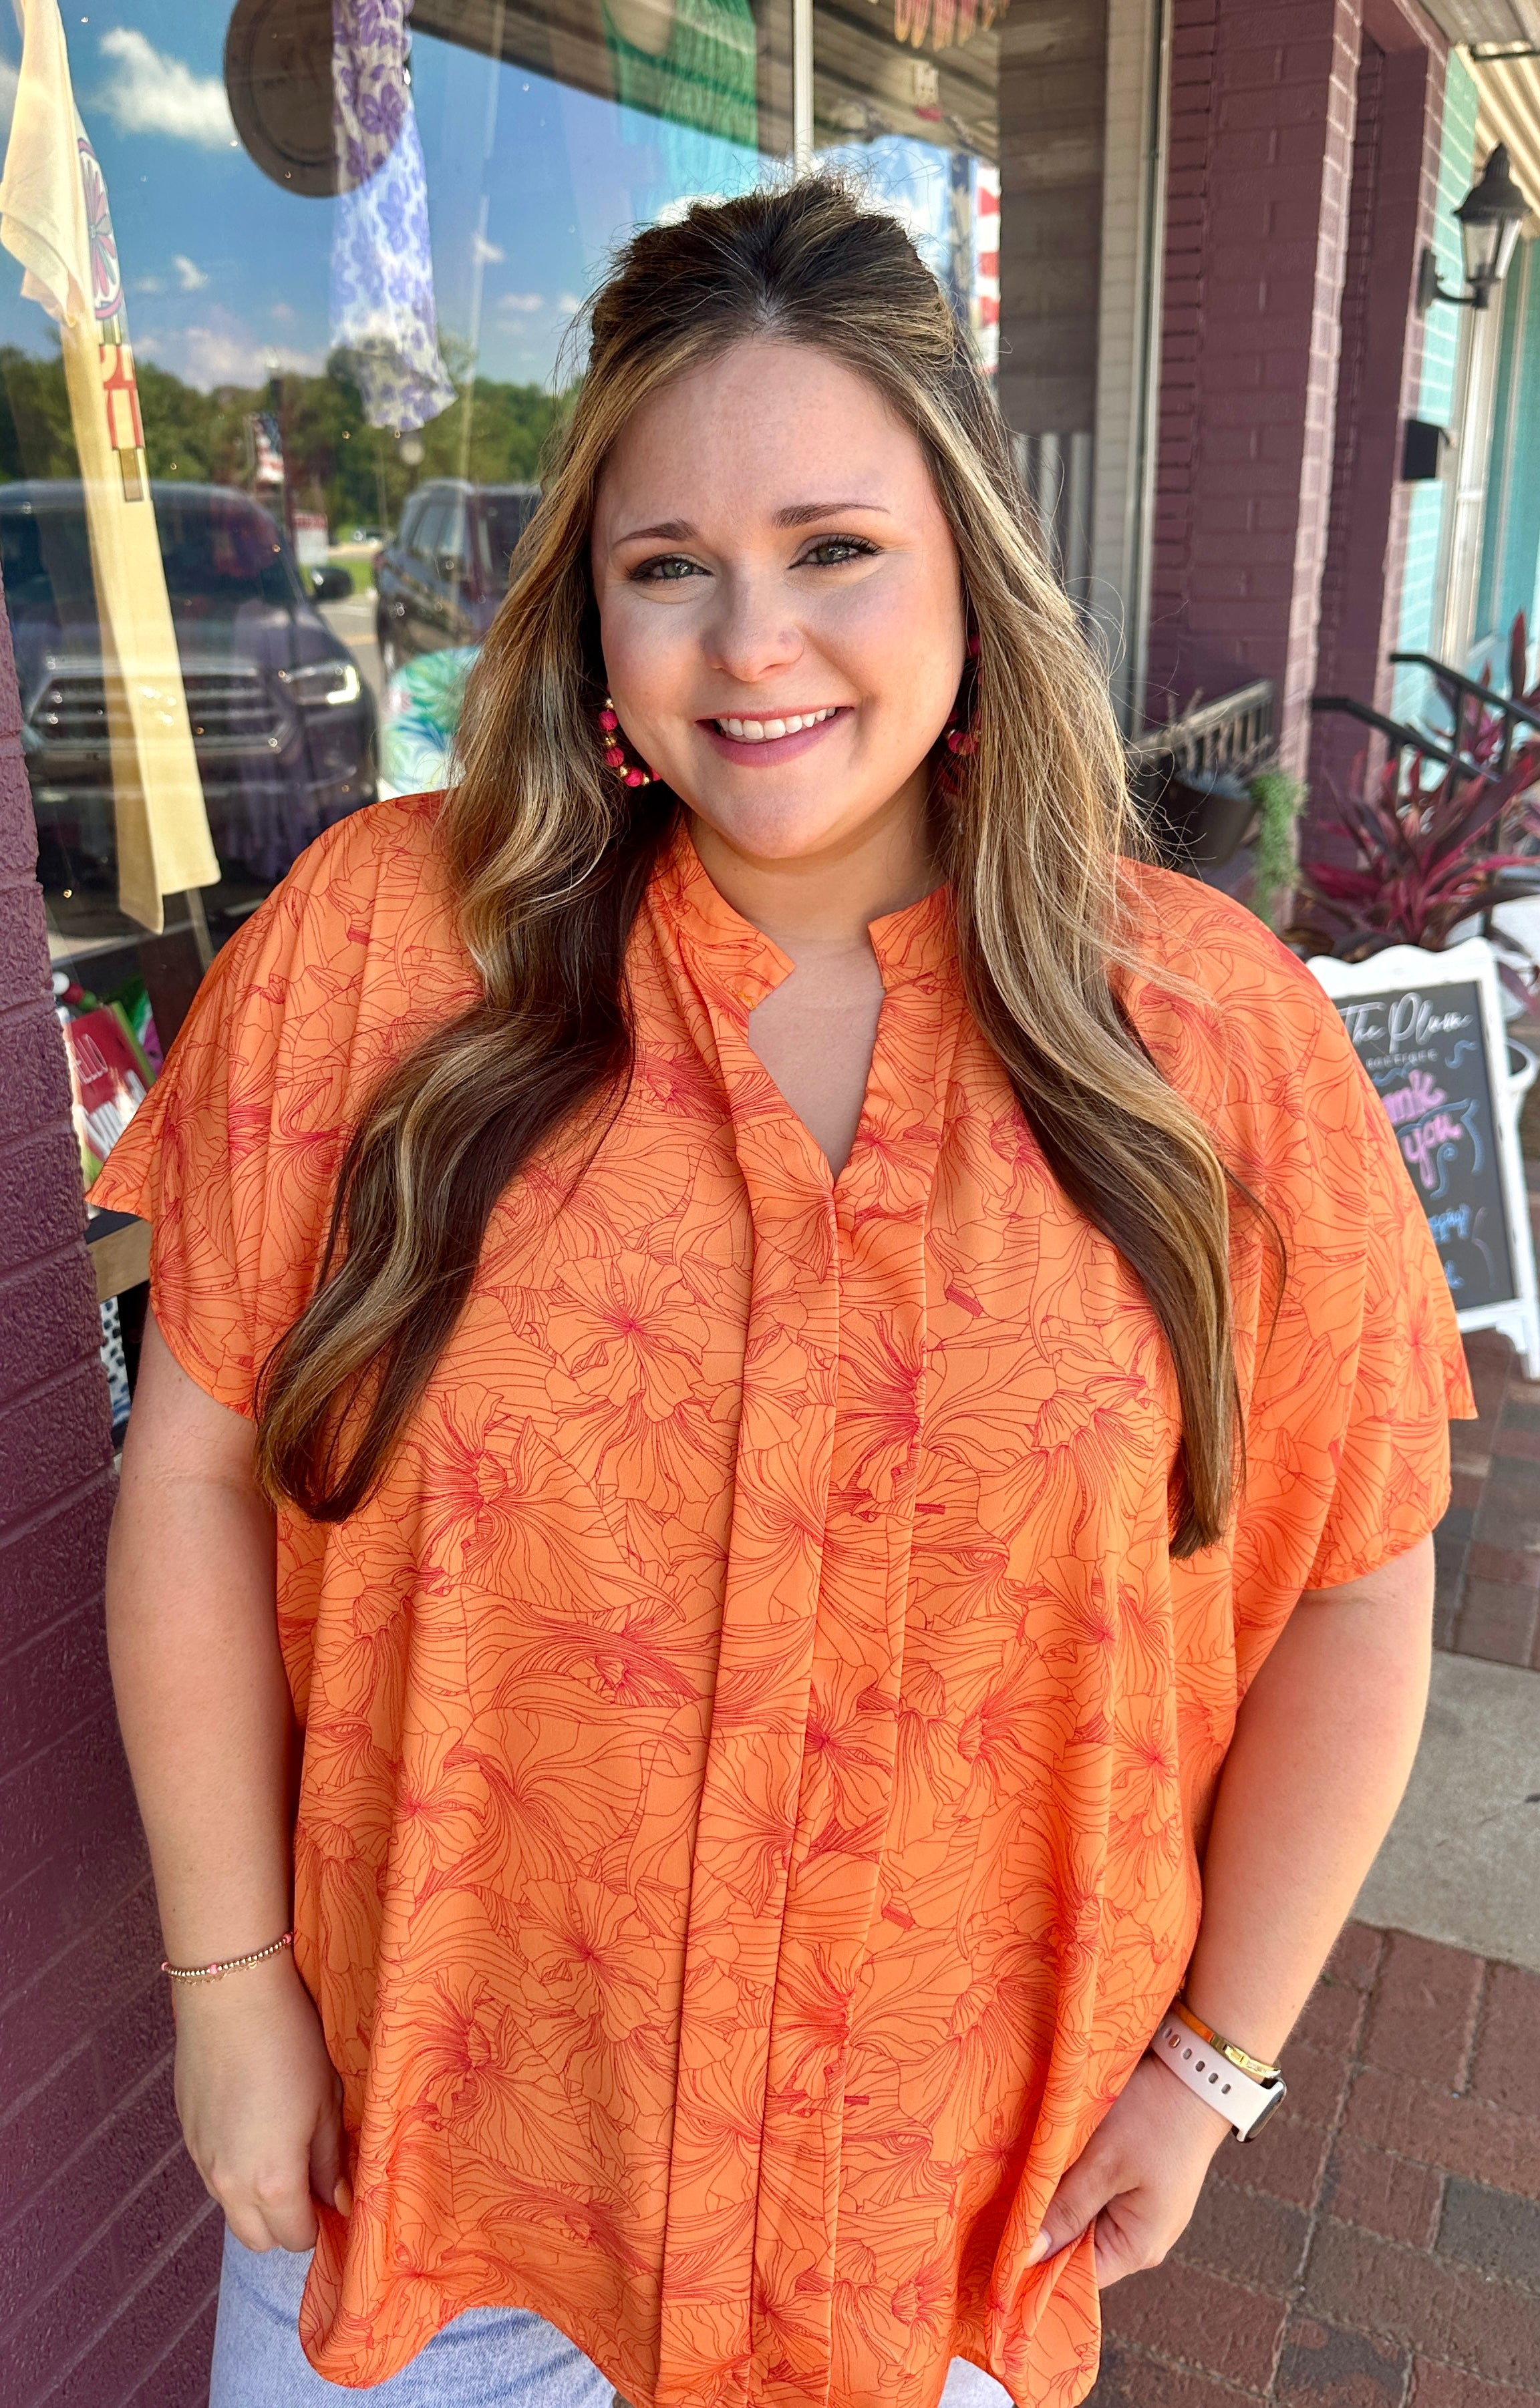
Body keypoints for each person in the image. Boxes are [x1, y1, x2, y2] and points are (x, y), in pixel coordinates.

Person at [98, 180, 1472, 2408]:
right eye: (671, 570)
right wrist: (225, 1987)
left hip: (918, 2227)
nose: (754, 644)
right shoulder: (374, 953)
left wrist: (1215, 2066)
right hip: (428, 2189)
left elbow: (1353, 1579)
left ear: (961, 564)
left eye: (834, 548)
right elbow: (193, 1468)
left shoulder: (1203, 1039)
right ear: (590, 621)